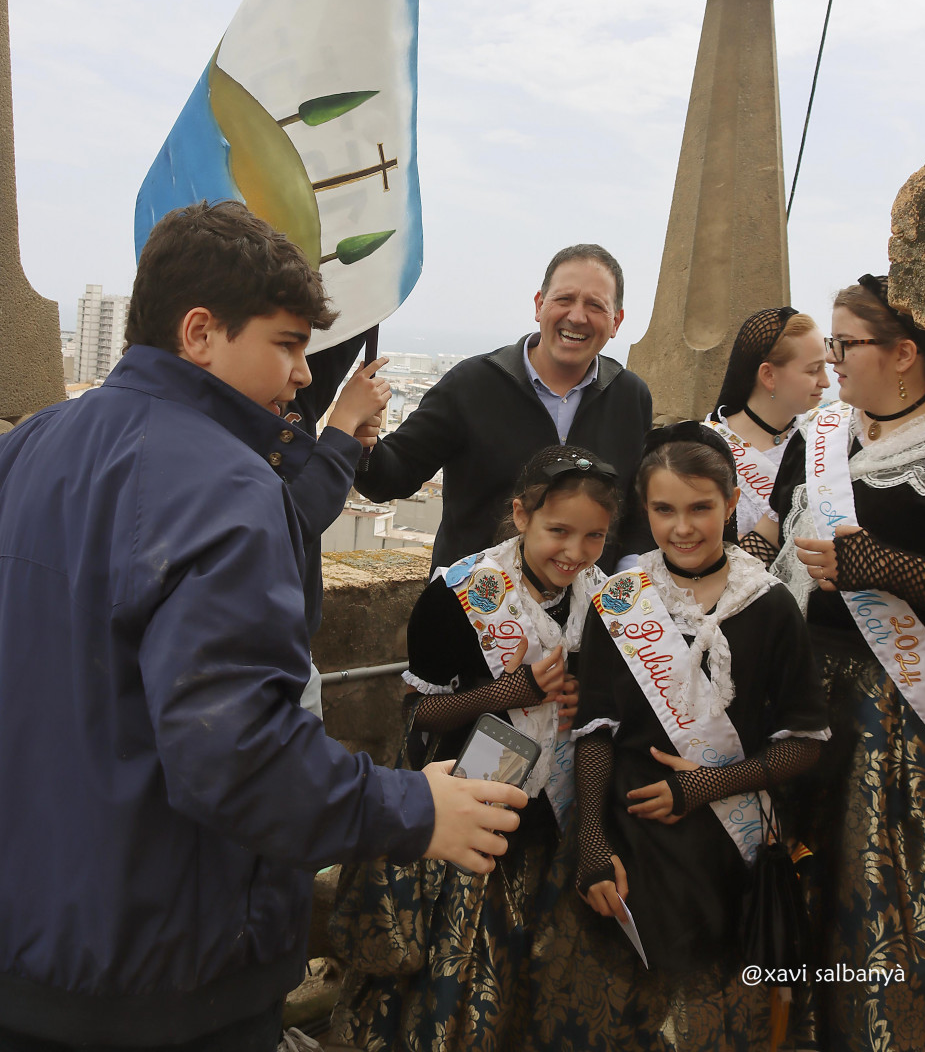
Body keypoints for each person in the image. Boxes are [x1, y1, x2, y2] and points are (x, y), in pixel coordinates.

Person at [0, 201, 526, 1052]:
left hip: (33, 941)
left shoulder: (29, 446)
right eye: (286, 344)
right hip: (170, 969)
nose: (303, 375)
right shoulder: (228, 489)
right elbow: (235, 756)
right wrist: (415, 808)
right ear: (201, 332)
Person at [525, 423, 828, 1052]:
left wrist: (708, 785)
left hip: (724, 850)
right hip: (626, 841)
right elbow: (595, 731)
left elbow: (804, 742)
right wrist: (592, 844)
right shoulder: (620, 600)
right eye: (664, 510)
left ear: (731, 502)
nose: (682, 528)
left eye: (700, 509)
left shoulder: (770, 606)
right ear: (645, 509)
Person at [326, 446, 622, 1052]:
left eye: (594, 536)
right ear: (521, 516)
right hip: (470, 817)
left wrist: (578, 699)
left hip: (555, 822)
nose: (575, 552)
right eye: (558, 531)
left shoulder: (607, 602)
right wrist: (514, 690)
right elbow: (419, 713)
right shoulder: (459, 594)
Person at [770, 274, 925, 1052]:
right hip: (807, 696)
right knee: (797, 885)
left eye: (846, 345)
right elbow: (775, 535)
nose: (833, 362)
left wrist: (881, 566)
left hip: (900, 713)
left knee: (876, 890)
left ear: (905, 354)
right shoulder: (821, 435)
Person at [353, 244, 653, 573]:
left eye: (595, 305)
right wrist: (363, 444)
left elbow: (638, 511)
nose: (577, 316)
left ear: (616, 321)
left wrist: (626, 580)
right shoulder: (471, 384)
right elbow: (391, 478)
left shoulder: (630, 397)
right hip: (474, 599)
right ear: (539, 305)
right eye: (564, 299)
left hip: (585, 602)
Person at [704, 306, 829, 561]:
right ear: (769, 375)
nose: (826, 381)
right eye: (812, 370)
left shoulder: (823, 440)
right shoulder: (704, 447)